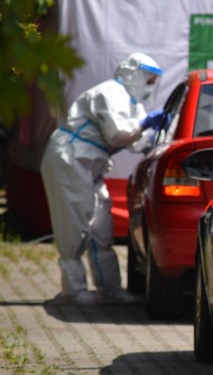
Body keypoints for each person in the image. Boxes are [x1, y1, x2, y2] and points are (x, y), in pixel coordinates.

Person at [41, 52, 165, 306]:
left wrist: (158, 134)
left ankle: (109, 287)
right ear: (135, 74)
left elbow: (137, 142)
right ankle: (74, 290)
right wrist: (145, 123)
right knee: (75, 223)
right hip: (70, 159)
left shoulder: (131, 103)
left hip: (90, 164)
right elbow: (117, 135)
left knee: (101, 224)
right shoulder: (109, 94)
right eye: (149, 79)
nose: (151, 85)